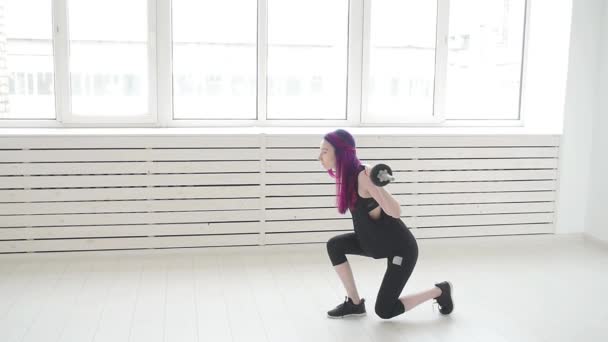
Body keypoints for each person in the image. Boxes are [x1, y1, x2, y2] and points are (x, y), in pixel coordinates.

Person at [319, 129, 454, 319]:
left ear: (340, 152)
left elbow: (396, 212)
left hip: (401, 249)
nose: (319, 156)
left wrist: (376, 185)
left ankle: (440, 291)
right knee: (335, 245)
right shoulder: (348, 175)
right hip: (372, 244)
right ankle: (355, 303)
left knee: (384, 310)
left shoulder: (363, 177)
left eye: (324, 151)